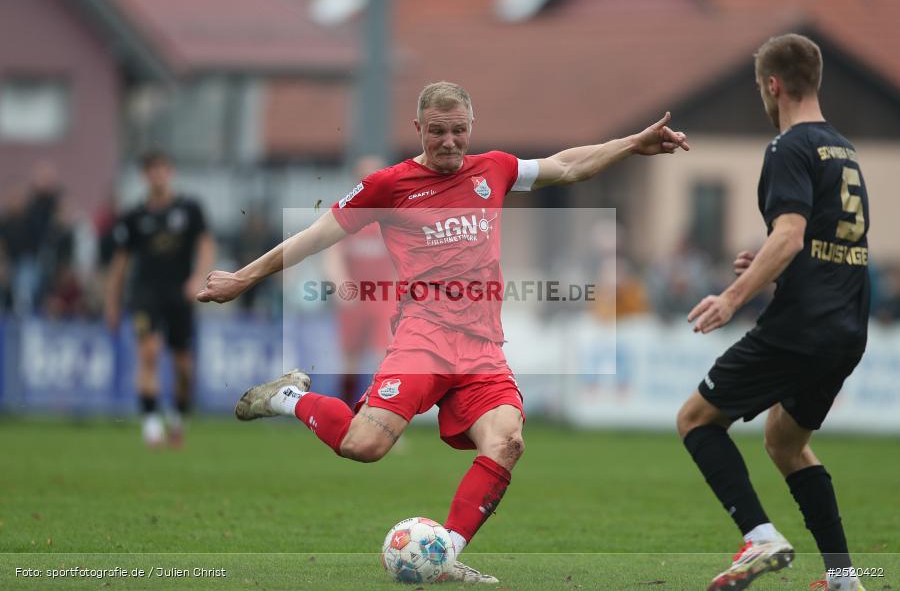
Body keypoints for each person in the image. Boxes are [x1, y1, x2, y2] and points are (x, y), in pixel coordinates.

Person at [198, 81, 688, 583]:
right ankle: (285, 397)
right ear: (418, 129)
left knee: (507, 441)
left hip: (481, 350)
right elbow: (313, 237)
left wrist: (630, 144)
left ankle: (442, 555)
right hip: (422, 340)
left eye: (458, 131)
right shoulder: (387, 186)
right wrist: (244, 276)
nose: (449, 141)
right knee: (362, 446)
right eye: (437, 132)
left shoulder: (493, 168)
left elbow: (565, 165)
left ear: (470, 127)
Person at [675, 34, 869, 591]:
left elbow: (791, 233)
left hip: (801, 325)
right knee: (784, 441)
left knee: (695, 420)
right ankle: (844, 578)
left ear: (773, 85)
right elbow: (824, 244)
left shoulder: (789, 148)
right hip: (846, 327)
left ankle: (760, 538)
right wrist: (772, 260)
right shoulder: (844, 149)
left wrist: (733, 297)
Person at [106, 150, 215, 448]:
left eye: (162, 169)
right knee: (149, 353)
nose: (158, 175)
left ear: (170, 172)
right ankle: (152, 425)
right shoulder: (133, 217)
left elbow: (206, 246)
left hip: (180, 295)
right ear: (145, 176)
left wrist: (198, 278)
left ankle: (178, 418)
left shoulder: (190, 209)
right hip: (145, 295)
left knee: (182, 367)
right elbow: (120, 265)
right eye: (152, 170)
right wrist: (112, 304)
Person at [322, 155, 397, 406]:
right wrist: (341, 286)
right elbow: (332, 256)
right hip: (353, 299)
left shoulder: (393, 217)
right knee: (350, 359)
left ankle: (380, 418)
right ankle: (346, 415)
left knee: (384, 358)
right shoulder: (346, 214)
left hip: (383, 299)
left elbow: (407, 259)